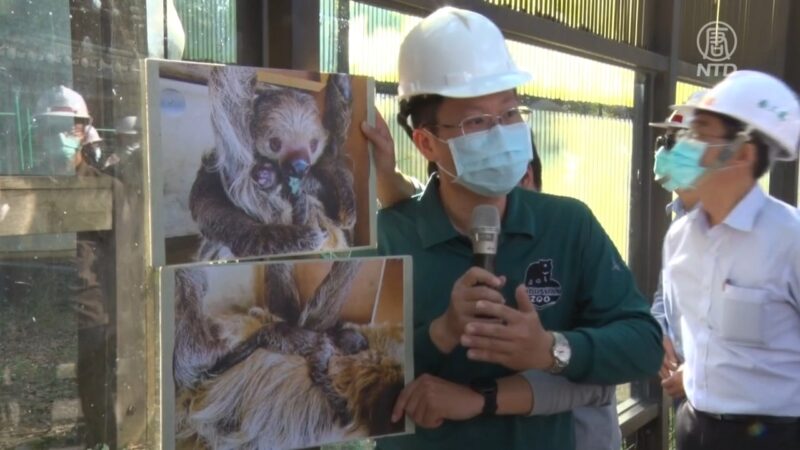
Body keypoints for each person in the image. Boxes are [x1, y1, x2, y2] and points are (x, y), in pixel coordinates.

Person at [372, 7, 662, 450]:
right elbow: (350, 373)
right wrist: (441, 333)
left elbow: (643, 344)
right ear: (426, 142)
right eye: (476, 121)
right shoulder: (389, 236)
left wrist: (552, 349)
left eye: (509, 113)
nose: (501, 132)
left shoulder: (568, 224)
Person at [364, 114, 623, 450]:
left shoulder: (568, 233)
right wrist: (442, 331)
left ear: (526, 176)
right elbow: (362, 375)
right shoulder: (404, 233)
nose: (485, 205)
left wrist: (492, 390)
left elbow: (614, 366)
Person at [658, 70, 800, 450]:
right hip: (693, 425)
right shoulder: (678, 238)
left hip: (776, 437)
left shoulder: (791, 240)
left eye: (699, 132)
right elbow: (684, 331)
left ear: (742, 153)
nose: (682, 144)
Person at [649, 91, 705, 401]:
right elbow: (664, 295)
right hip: (683, 391)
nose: (664, 150)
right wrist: (659, 333)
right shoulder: (678, 222)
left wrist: (699, 371)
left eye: (676, 142)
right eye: (665, 141)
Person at [30, 85, 105, 175]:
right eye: (53, 130)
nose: (61, 138)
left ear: (85, 135)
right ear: (40, 135)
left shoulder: (109, 186)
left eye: (69, 129)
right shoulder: (20, 185)